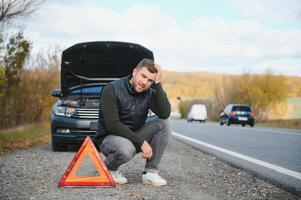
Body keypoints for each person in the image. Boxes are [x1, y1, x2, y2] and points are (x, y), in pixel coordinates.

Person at [96, 58, 171, 186]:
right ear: (134, 72)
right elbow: (113, 125)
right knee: (126, 149)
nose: (144, 82)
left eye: (150, 80)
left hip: (133, 136)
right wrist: (141, 142)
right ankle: (109, 168)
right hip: (109, 138)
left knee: (163, 124)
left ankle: (150, 173)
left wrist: (158, 83)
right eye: (143, 76)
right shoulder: (111, 89)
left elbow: (165, 113)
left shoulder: (149, 92)